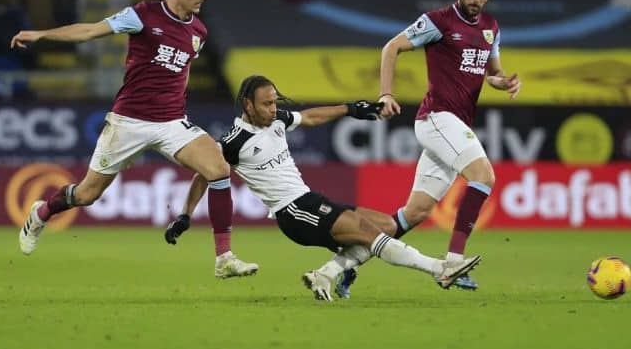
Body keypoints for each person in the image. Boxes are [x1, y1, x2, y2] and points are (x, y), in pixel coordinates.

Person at [10, 0, 258, 279]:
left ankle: (224, 257)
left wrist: (176, 105)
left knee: (220, 169)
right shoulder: (142, 14)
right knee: (87, 195)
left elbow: (182, 73)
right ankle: (41, 212)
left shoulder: (199, 31)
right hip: (129, 122)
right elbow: (89, 31)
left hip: (170, 122)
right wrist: (42, 35)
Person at [165, 75, 481, 301]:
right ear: (247, 105)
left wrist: (351, 109)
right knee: (371, 234)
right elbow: (203, 175)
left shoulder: (276, 121)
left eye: (275, 102)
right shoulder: (234, 142)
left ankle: (327, 274)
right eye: (266, 104)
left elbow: (311, 117)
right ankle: (439, 268)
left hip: (309, 200)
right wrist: (185, 215)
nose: (273, 109)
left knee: (385, 225)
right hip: (293, 212)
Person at [374, 0, 522, 291]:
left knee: (415, 212)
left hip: (453, 123)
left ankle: (343, 264)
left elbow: (492, 74)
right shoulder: (438, 21)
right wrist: (385, 94)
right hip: (437, 117)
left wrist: (505, 83)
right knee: (484, 175)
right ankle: (454, 262)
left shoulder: (491, 27)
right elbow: (391, 47)